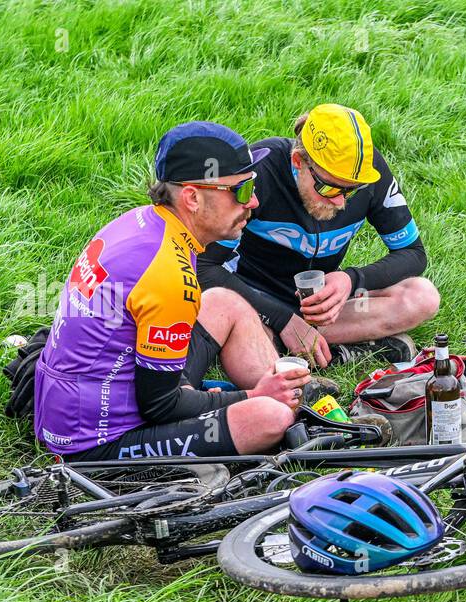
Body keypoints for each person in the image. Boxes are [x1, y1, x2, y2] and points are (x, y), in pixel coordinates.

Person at [34, 122, 310, 461]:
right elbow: (161, 405)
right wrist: (251, 396)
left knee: (224, 302)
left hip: (76, 401)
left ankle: (291, 395)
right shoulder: (169, 277)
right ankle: (284, 403)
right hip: (95, 440)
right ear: (192, 197)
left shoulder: (142, 221)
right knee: (271, 417)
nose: (253, 201)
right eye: (241, 189)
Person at [196, 103, 439, 368]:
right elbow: (205, 266)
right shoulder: (260, 173)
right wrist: (282, 319)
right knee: (247, 346)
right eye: (329, 188)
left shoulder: (369, 173)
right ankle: (324, 349)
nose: (340, 203)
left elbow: (413, 253)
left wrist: (351, 279)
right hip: (254, 303)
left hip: (319, 306)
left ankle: (294, 348)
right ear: (298, 161)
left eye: (352, 191)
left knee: (422, 296)